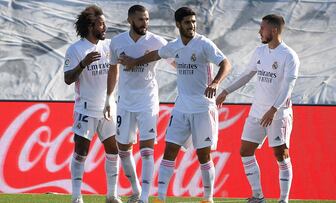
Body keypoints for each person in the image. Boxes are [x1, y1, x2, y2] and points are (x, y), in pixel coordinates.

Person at [118, 7, 232, 203]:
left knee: (203, 155)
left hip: (203, 107)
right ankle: (160, 197)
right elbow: (155, 55)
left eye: (193, 22)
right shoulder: (174, 45)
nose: (192, 26)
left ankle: (208, 197)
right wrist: (134, 61)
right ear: (178, 24)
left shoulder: (204, 44)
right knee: (169, 150)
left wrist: (215, 83)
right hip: (181, 107)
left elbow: (226, 63)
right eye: (187, 22)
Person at [216, 14, 300, 203]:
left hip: (278, 114)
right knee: (245, 151)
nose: (259, 31)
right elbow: (247, 75)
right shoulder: (259, 52)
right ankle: (258, 196)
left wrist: (273, 109)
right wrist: (226, 91)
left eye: (262, 28)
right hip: (257, 112)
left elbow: (288, 86)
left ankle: (283, 200)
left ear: (274, 30)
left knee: (281, 154)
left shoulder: (289, 56)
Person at [103, 5, 168, 203]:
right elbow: (113, 69)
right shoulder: (117, 41)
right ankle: (136, 190)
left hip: (147, 101)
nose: (145, 23)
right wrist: (108, 98)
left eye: (147, 19)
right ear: (130, 20)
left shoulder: (157, 41)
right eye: (141, 19)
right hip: (125, 102)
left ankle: (145, 198)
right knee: (123, 148)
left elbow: (174, 57)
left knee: (147, 149)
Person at [63, 5, 121, 203]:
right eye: (101, 24)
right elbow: (68, 79)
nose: (105, 27)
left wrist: (110, 99)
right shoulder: (76, 49)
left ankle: (112, 195)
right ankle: (76, 196)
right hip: (85, 109)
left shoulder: (109, 46)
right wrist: (82, 64)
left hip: (108, 108)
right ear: (91, 26)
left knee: (114, 151)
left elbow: (116, 69)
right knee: (81, 152)